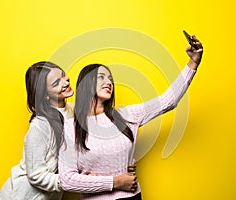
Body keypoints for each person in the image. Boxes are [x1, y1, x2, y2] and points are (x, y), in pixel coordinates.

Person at [58, 35, 203, 199]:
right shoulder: (70, 127)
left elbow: (168, 100)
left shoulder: (127, 115)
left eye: (110, 78)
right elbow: (67, 179)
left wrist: (193, 63)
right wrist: (115, 182)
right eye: (101, 77)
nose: (109, 82)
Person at [0, 61, 137, 200]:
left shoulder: (75, 110)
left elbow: (96, 142)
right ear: (45, 95)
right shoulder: (40, 126)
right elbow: (36, 176)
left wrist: (122, 161)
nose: (65, 82)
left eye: (63, 76)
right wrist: (74, 181)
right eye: (56, 83)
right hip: (21, 196)